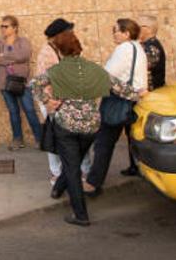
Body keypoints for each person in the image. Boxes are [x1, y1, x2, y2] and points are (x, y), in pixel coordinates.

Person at [31, 29, 140, 226]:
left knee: (72, 167)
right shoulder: (95, 69)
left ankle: (80, 215)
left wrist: (47, 101)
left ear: (60, 51)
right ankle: (57, 189)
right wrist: (141, 93)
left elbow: (34, 84)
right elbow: (124, 90)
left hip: (66, 126)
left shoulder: (57, 71)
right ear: (79, 49)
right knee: (75, 160)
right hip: (91, 126)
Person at [85, 18, 148, 197]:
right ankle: (139, 169)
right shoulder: (138, 48)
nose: (114, 34)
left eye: (116, 30)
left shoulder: (124, 49)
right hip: (134, 99)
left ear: (126, 33)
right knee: (133, 139)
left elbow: (107, 76)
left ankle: (93, 183)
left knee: (104, 142)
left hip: (118, 100)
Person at [36, 18, 91, 185]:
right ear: (59, 35)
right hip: (54, 101)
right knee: (56, 139)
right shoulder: (47, 53)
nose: (72, 34)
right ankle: (57, 173)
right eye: (69, 32)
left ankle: (83, 170)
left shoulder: (63, 47)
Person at [120, 14, 167, 177]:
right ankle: (136, 165)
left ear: (146, 29)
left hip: (147, 100)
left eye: (138, 26)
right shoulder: (144, 46)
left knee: (140, 133)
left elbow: (133, 68)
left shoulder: (150, 48)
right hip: (143, 99)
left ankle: (140, 166)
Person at [0, 15, 42, 151]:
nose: (2, 29)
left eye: (5, 26)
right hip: (4, 83)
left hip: (21, 82)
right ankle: (17, 139)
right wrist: (12, 58)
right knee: (13, 111)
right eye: (1, 26)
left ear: (15, 28)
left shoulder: (23, 42)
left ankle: (40, 139)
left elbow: (24, 55)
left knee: (29, 110)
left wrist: (5, 56)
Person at [139, 15, 166, 91]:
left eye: (139, 26)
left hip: (152, 93)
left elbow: (140, 67)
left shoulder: (152, 47)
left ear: (149, 29)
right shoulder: (146, 45)